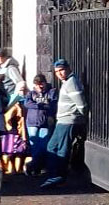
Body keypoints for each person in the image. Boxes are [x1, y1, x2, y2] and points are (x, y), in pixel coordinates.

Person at [40, 59, 88, 188]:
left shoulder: (72, 83)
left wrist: (82, 119)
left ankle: (57, 176)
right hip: (63, 120)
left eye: (61, 70)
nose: (59, 73)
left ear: (68, 68)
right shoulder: (67, 82)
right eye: (57, 71)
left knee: (59, 148)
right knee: (53, 147)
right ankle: (55, 175)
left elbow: (81, 105)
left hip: (68, 121)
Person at [23, 74, 57, 176]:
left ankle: (34, 165)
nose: (40, 87)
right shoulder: (31, 93)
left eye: (41, 84)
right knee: (35, 146)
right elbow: (27, 103)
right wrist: (41, 105)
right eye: (37, 85)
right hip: (32, 122)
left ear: (45, 83)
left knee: (44, 145)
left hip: (45, 123)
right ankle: (36, 167)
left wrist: (43, 106)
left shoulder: (51, 92)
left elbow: (53, 104)